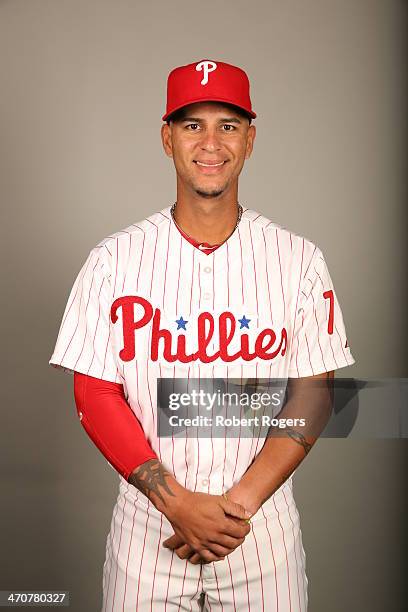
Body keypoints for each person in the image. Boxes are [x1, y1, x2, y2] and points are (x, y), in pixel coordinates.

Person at [49, 58, 355, 611]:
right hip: (147, 537)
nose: (210, 143)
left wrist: (237, 505)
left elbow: (313, 391)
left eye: (228, 125)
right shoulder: (113, 260)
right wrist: (178, 504)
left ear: (251, 140)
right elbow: (94, 394)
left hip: (260, 536)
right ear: (167, 138)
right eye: (193, 125)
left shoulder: (298, 259)